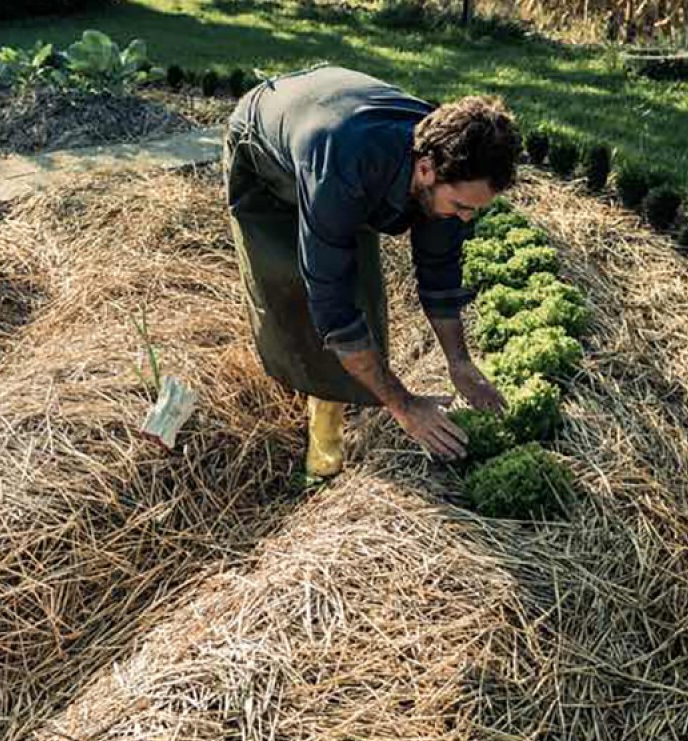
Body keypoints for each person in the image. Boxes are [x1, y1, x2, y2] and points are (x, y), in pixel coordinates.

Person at [222, 64, 521, 477]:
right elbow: (333, 306)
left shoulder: (444, 161)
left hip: (336, 133)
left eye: (474, 209)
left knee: (361, 286)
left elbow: (439, 270)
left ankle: (338, 389)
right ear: (425, 170)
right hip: (266, 151)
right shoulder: (343, 168)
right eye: (462, 206)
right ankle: (317, 406)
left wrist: (460, 362)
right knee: (293, 287)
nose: (467, 218)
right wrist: (405, 405)